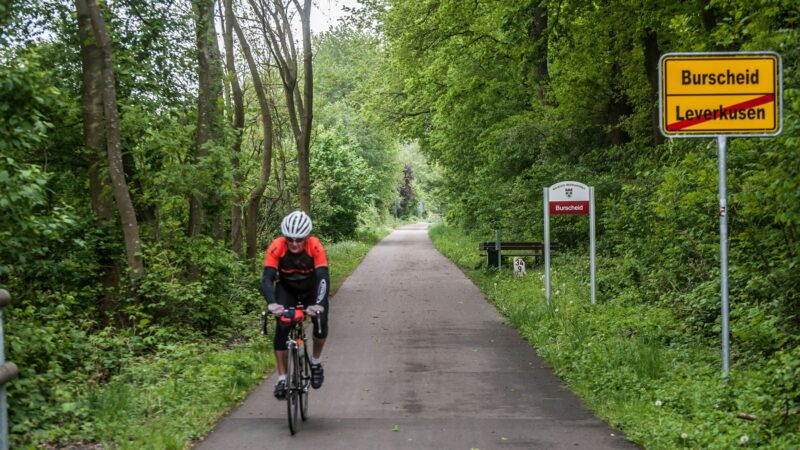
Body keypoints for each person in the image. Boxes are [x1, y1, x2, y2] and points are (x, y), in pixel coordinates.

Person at [261, 210, 329, 399]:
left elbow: (323, 278)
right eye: (290, 239)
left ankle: (315, 362)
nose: (294, 243)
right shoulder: (277, 246)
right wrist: (272, 303)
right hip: (287, 289)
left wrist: (319, 304)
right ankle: (282, 378)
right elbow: (267, 279)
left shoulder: (315, 246)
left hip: (311, 289)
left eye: (299, 239)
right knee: (282, 327)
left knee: (321, 322)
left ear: (306, 237)